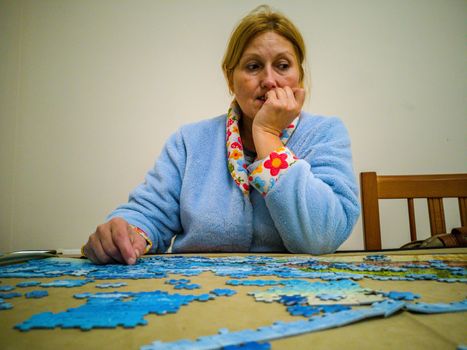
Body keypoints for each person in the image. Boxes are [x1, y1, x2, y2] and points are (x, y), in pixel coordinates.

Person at [82, 5, 360, 265]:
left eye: (283, 65)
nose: (269, 80)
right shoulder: (189, 141)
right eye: (253, 66)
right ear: (230, 79)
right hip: (197, 295)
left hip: (296, 299)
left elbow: (323, 236)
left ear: (299, 75)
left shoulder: (325, 133)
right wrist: (124, 232)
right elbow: (148, 213)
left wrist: (267, 134)